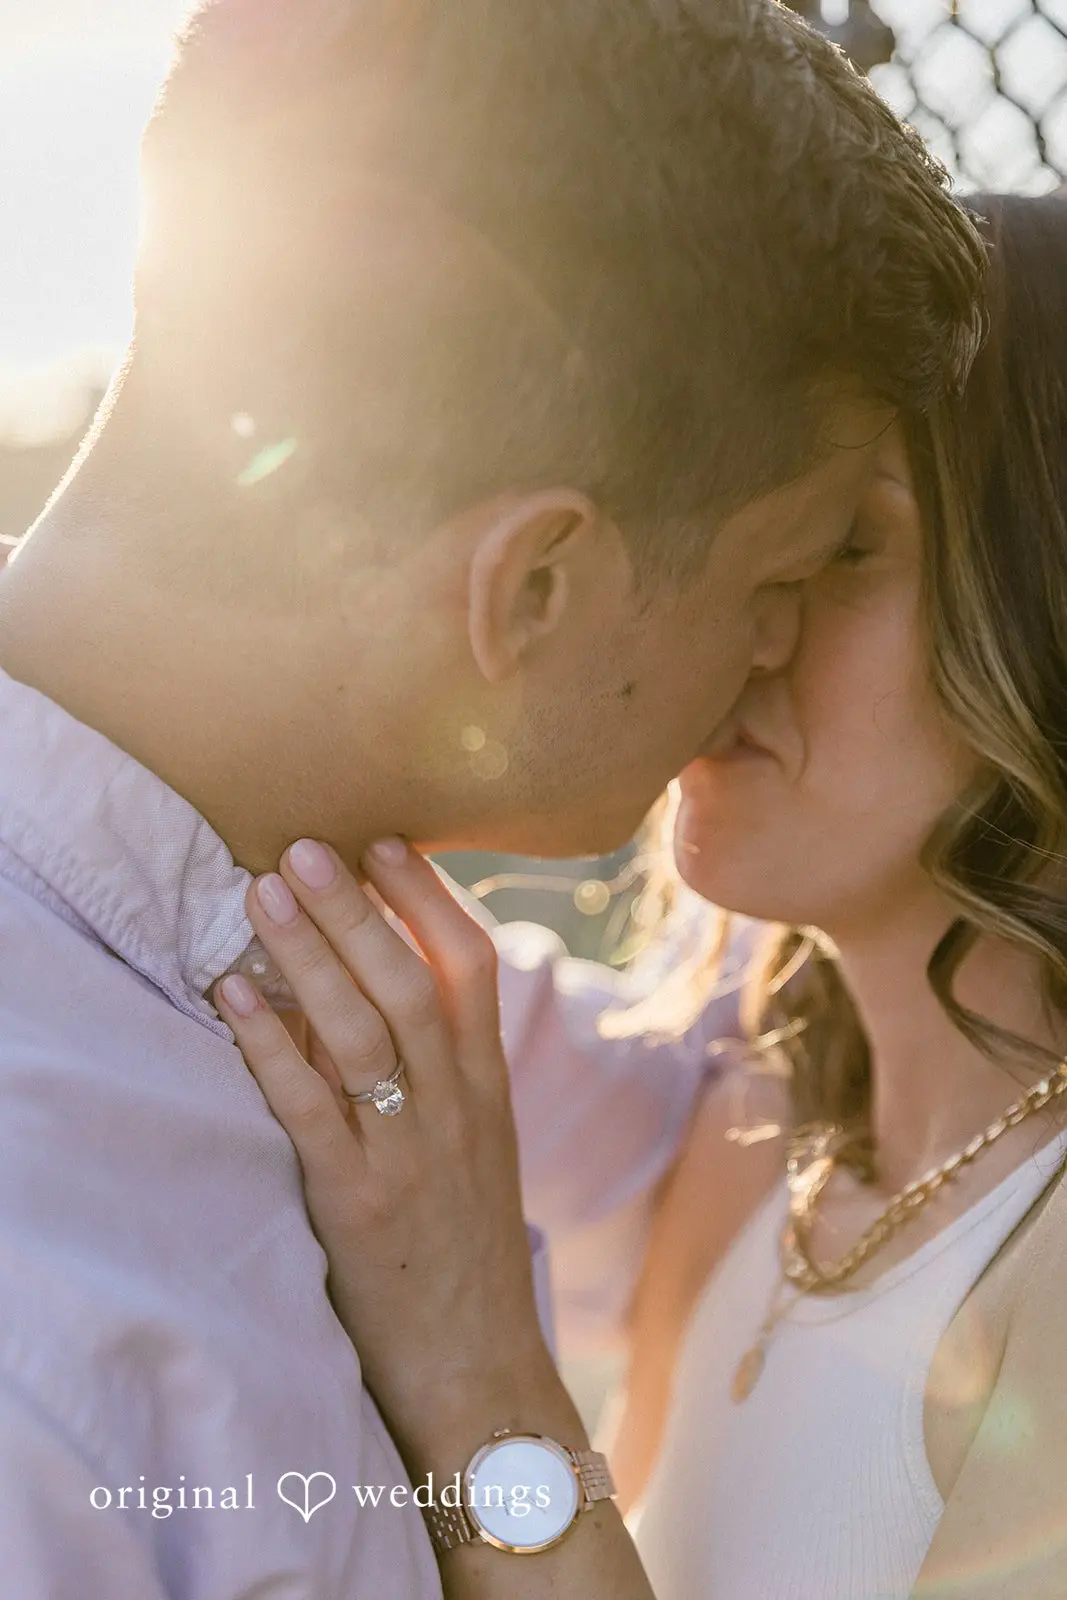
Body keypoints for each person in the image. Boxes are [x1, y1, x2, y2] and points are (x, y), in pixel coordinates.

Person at [0, 1, 984, 1595]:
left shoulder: (335, 984)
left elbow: (780, 1113)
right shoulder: (51, 1343)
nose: (771, 653)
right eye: (785, 571)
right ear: (535, 586)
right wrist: (481, 1393)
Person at [226, 193, 1067, 1600]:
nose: (744, 629)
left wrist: (474, 1361)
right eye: (741, 543)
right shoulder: (756, 1130)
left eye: (839, 549)